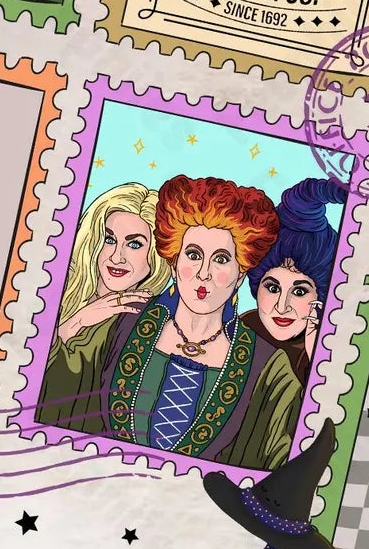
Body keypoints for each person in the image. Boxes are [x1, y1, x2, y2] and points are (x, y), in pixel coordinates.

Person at [38, 173, 302, 470]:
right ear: (174, 263)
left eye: (221, 259)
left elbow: (276, 469)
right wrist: (72, 327)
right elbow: (49, 407)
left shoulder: (268, 369)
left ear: (241, 273)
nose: (204, 273)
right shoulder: (120, 324)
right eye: (193, 255)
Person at [239, 176, 345, 387]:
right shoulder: (240, 331)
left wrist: (317, 359)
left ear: (321, 296)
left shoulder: (334, 348)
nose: (282, 307)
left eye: (299, 292)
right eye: (272, 287)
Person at [53, 181, 171, 346]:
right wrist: (76, 322)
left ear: (156, 254)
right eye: (109, 240)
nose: (116, 258)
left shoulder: (152, 321)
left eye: (134, 244)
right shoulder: (56, 289)